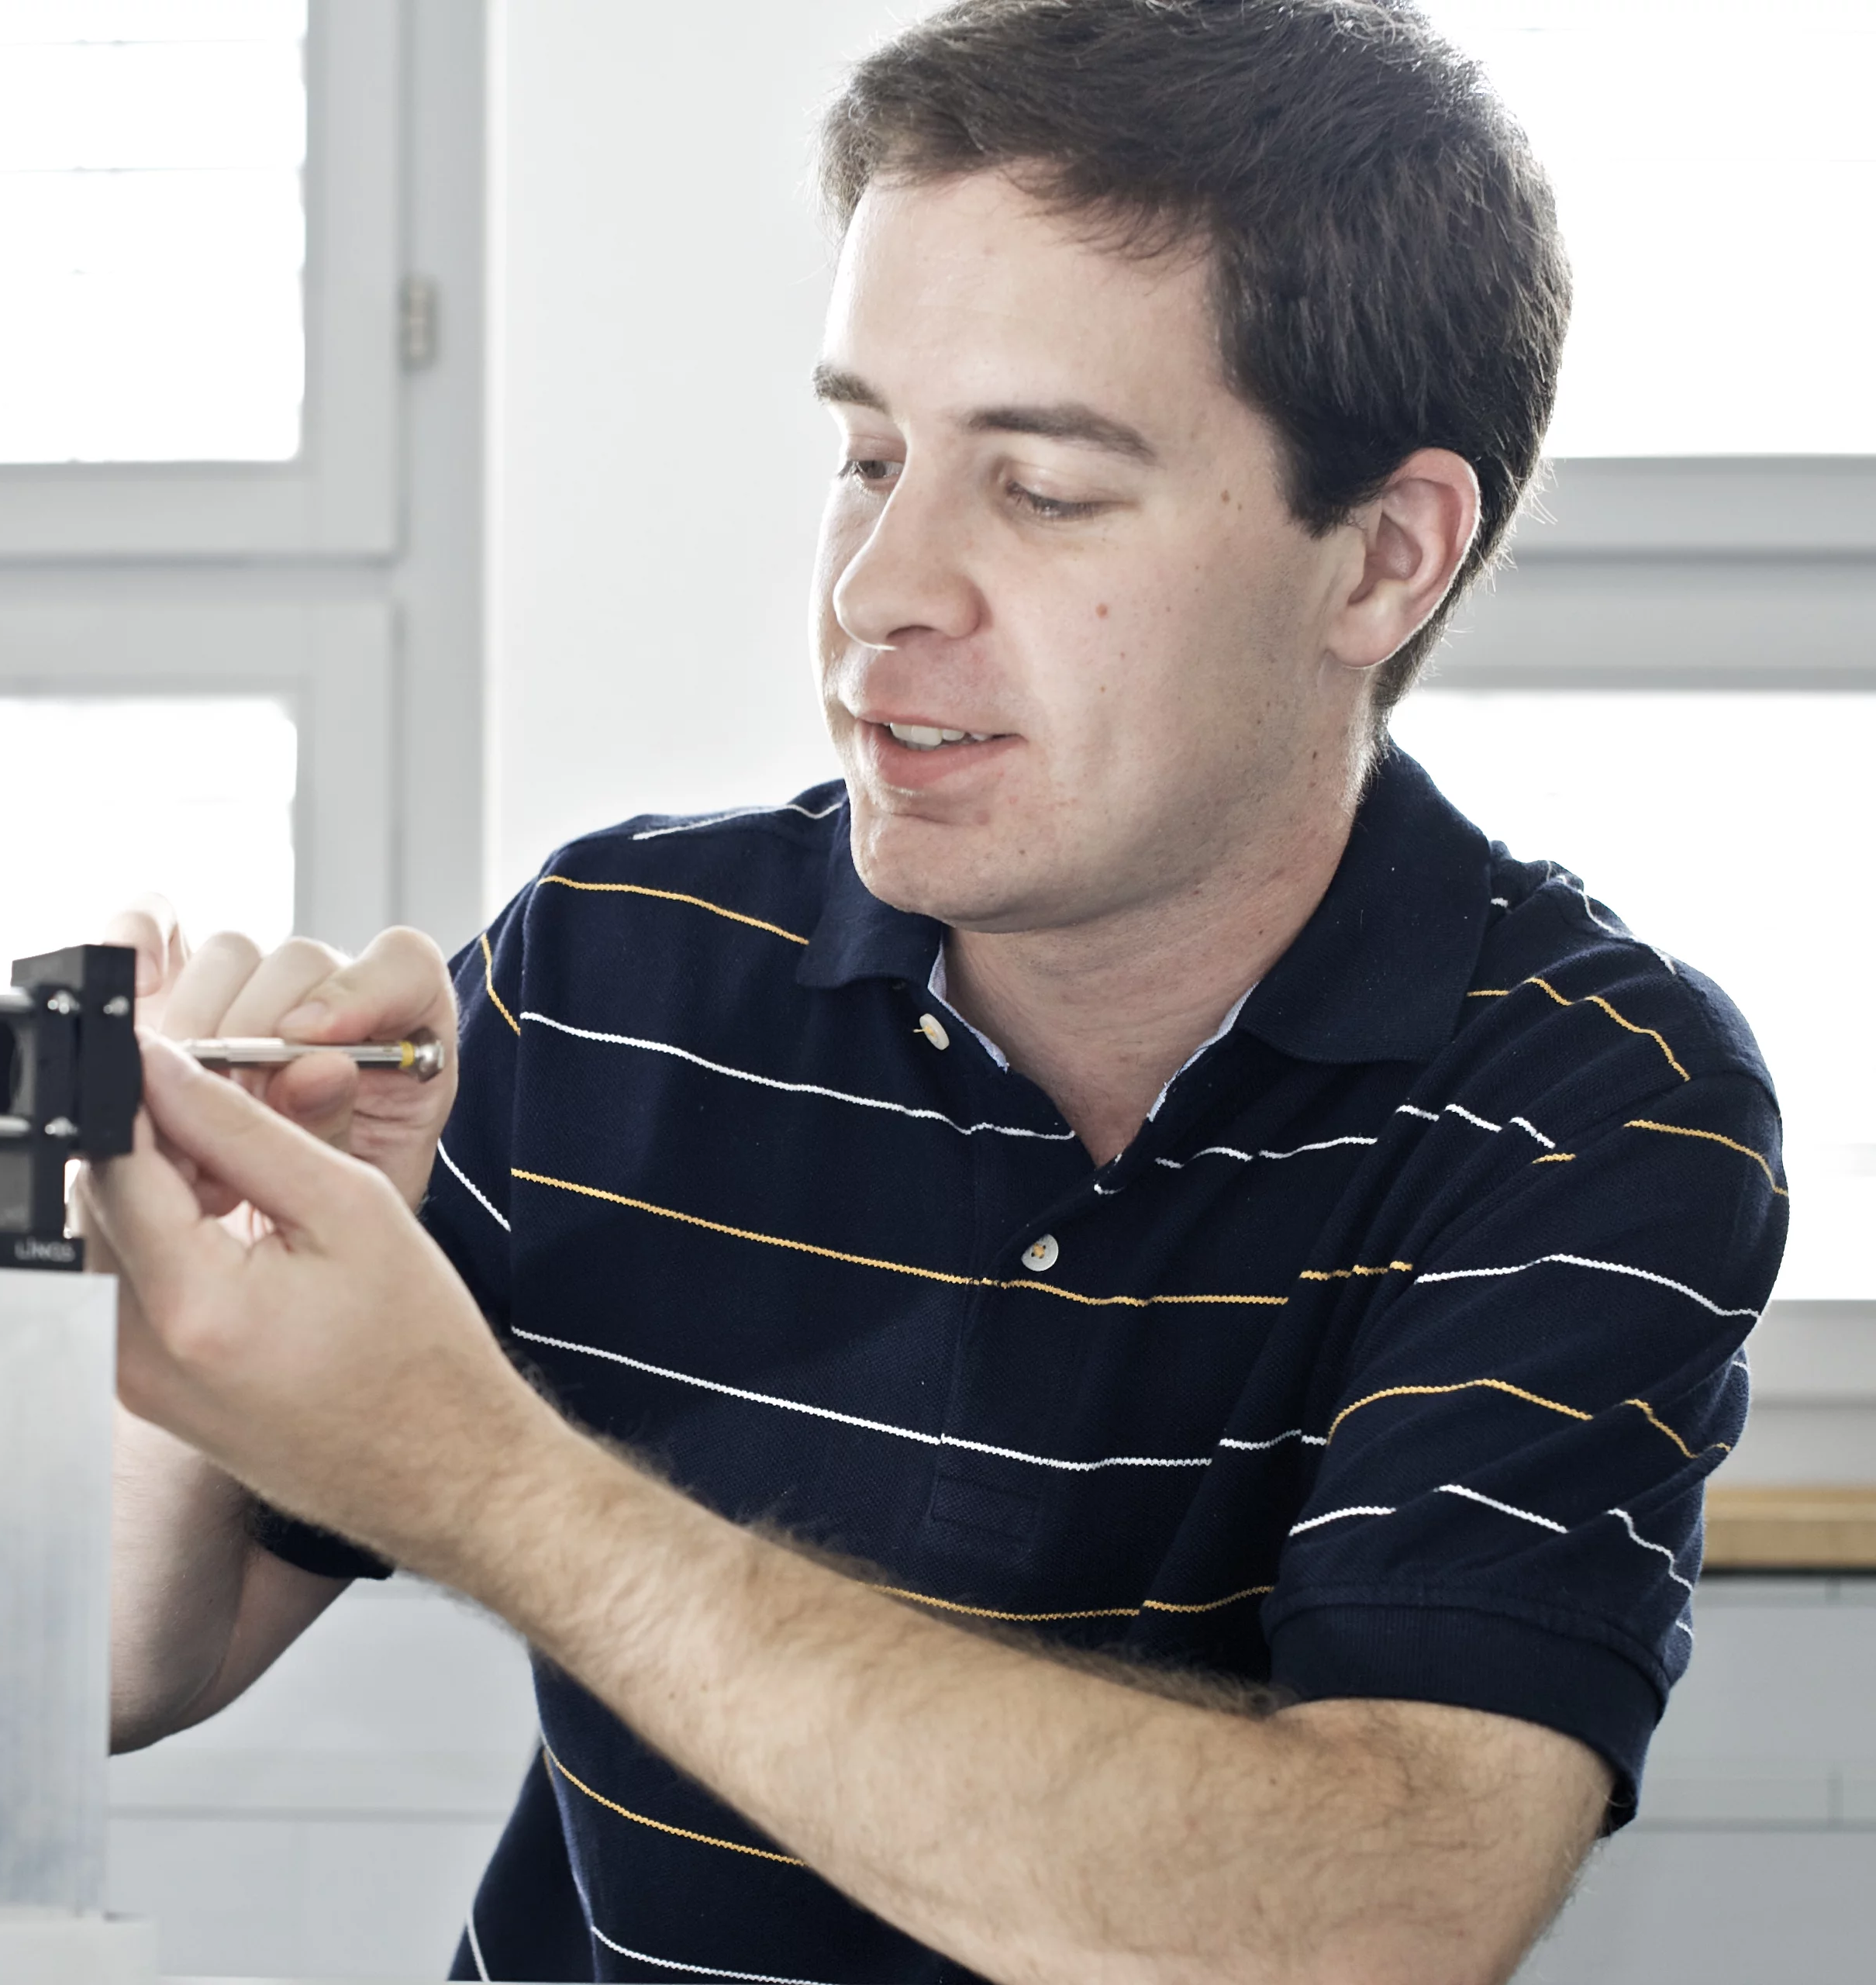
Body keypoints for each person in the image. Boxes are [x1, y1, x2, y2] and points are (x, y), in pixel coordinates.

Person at [94, 3, 1785, 1980]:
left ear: (1384, 559)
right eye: (869, 453)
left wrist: (476, 1472)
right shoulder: (617, 961)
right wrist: (205, 1282)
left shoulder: (1591, 1104)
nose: (881, 584)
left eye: (1045, 487)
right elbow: (135, 1660)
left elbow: (1375, 1921)